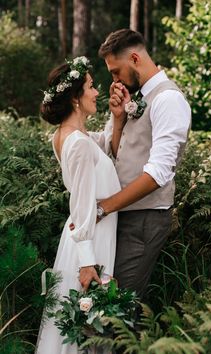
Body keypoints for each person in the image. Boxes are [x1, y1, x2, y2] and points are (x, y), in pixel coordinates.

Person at [91, 29, 192, 300]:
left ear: (134, 58)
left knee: (120, 304)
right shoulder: (136, 98)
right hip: (122, 213)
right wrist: (118, 120)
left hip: (144, 218)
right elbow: (115, 154)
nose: (114, 80)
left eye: (116, 72)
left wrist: (103, 208)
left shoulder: (168, 100)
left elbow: (158, 174)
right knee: (106, 302)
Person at [35, 56, 120, 354]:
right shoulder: (79, 144)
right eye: (92, 87)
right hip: (89, 244)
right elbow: (82, 201)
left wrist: (117, 116)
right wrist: (87, 264)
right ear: (74, 98)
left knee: (81, 333)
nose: (98, 92)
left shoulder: (67, 137)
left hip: (86, 238)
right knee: (84, 333)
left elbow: (106, 144)